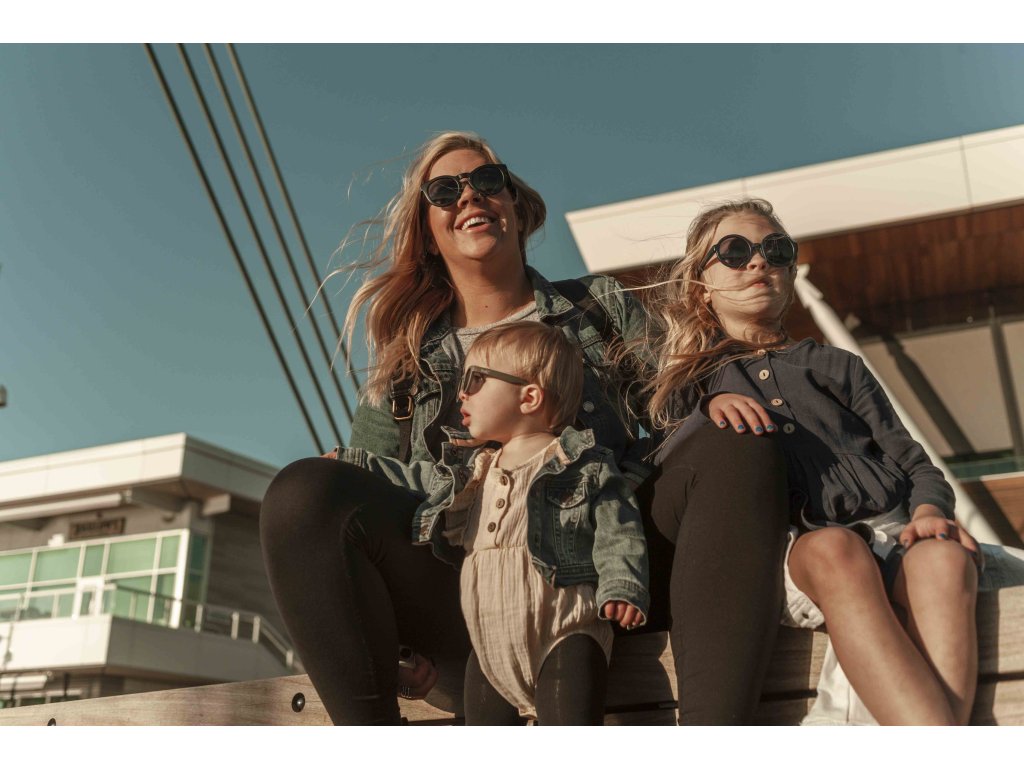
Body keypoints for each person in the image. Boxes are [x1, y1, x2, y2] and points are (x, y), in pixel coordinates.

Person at [259, 132, 791, 725]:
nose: (470, 197)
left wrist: (709, 399)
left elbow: (676, 407)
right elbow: (372, 495)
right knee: (304, 491)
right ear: (427, 232)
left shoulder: (596, 308)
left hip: (604, 570)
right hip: (470, 592)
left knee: (730, 433)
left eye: (488, 181)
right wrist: (398, 651)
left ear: (514, 204)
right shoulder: (406, 361)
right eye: (445, 191)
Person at [647, 197, 981, 725]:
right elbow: (670, 465)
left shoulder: (839, 365)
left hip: (890, 528)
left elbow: (913, 462)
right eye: (734, 252)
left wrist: (928, 512)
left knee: (944, 559)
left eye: (776, 250)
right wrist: (706, 411)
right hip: (804, 549)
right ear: (700, 285)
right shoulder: (692, 382)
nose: (759, 261)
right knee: (836, 549)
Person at [337, 321, 648, 724]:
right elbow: (413, 477)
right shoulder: (473, 471)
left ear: (529, 397)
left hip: (565, 634)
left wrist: (622, 587)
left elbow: (618, 529)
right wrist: (353, 463)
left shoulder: (580, 465)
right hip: (487, 648)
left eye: (476, 379)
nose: (461, 393)